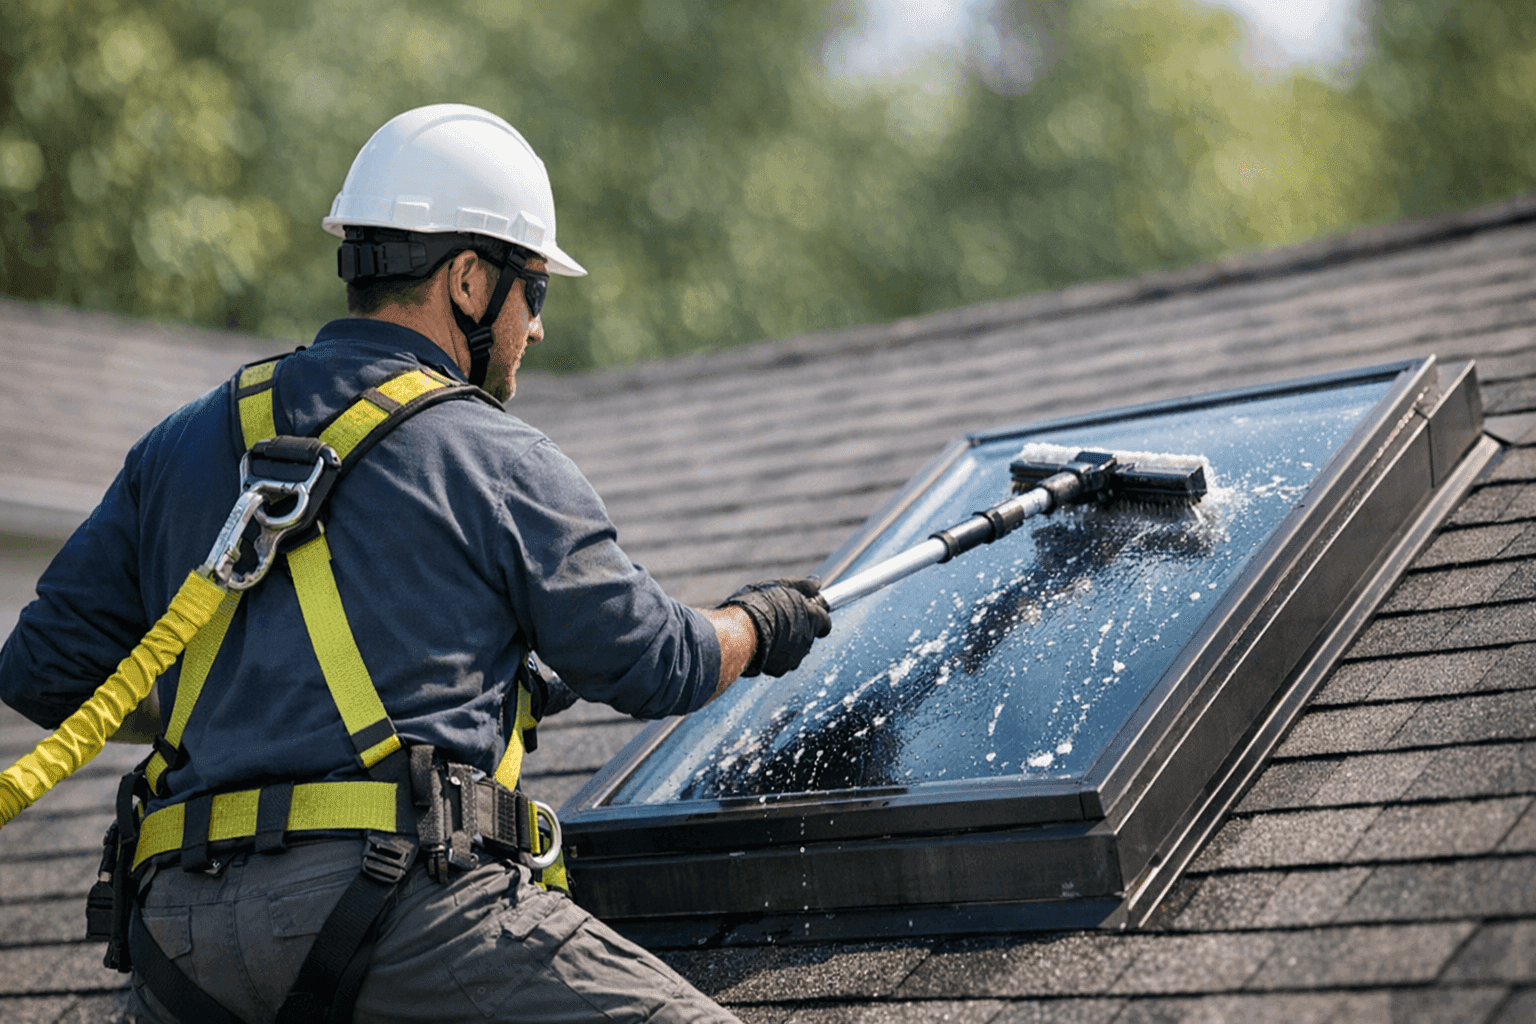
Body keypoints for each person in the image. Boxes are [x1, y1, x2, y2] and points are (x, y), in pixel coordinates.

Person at [0, 104, 831, 1023]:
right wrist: (759, 623)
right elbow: (654, 660)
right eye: (536, 293)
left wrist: (247, 714)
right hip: (400, 911)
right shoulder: (494, 456)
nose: (539, 329)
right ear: (470, 280)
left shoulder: (180, 443)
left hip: (180, 941)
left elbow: (46, 673)